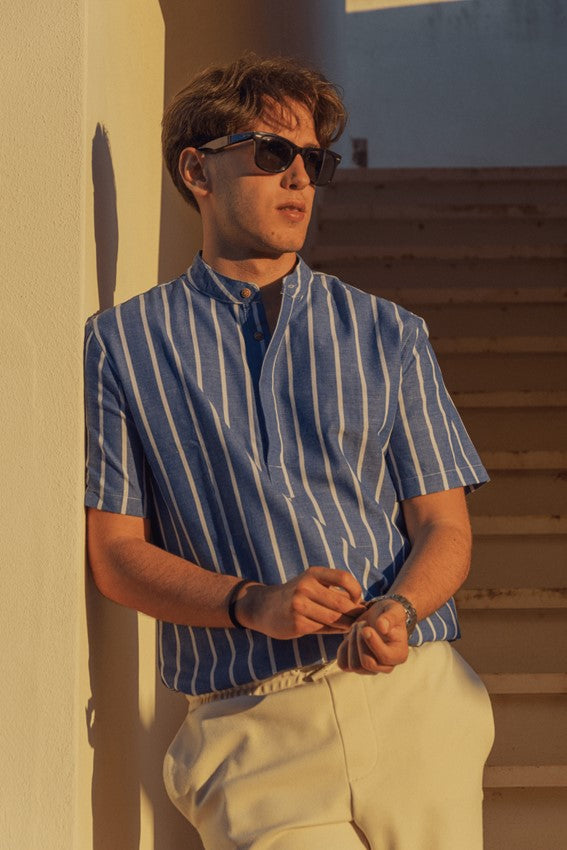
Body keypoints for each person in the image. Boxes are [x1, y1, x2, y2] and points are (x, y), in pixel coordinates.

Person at [84, 54, 494, 850]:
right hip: (251, 731)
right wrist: (253, 602)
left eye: (313, 159)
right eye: (272, 153)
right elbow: (116, 555)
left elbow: (443, 525)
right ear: (196, 170)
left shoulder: (389, 333)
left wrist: (400, 609)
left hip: (413, 708)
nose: (300, 177)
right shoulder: (122, 344)